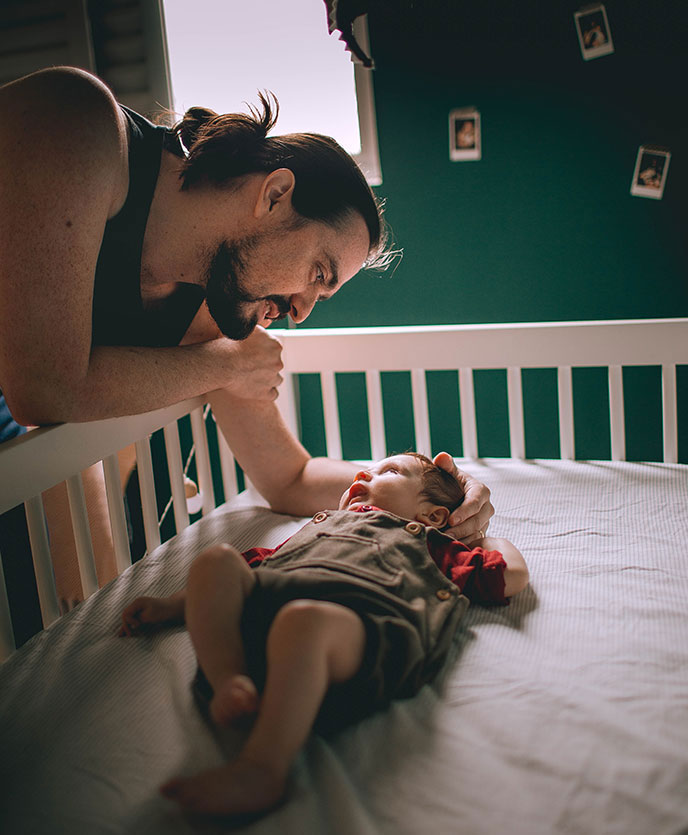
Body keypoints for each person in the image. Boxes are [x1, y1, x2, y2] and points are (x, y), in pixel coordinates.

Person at [0, 66, 495, 610]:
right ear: (275, 194)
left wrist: (431, 494)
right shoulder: (80, 124)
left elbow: (289, 478)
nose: (301, 313)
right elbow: (42, 389)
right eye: (318, 274)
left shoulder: (211, 305)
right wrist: (226, 366)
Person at [120, 450, 528, 819]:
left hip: (363, 626)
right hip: (271, 614)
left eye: (385, 471)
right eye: (363, 472)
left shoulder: (435, 545)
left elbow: (509, 576)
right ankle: (230, 678)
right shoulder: (319, 527)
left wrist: (487, 540)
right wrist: (172, 605)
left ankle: (262, 768)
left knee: (304, 621)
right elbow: (244, 574)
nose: (360, 477)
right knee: (216, 561)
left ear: (433, 516)